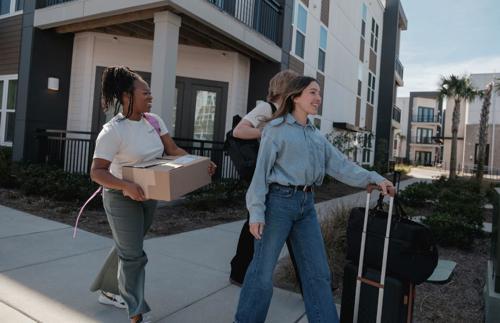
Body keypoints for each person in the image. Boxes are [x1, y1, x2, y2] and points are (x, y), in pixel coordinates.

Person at [233, 76, 395, 323]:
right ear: (295, 96)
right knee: (262, 274)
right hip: (278, 204)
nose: (318, 98)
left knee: (318, 274)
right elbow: (260, 176)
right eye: (312, 92)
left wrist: (375, 178)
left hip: (306, 206)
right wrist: (256, 212)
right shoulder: (275, 130)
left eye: (319, 93)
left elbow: (341, 166)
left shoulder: (316, 135)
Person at [89, 66, 215, 323]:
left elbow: (172, 150)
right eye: (145, 92)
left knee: (128, 247)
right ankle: (135, 311)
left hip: (149, 193)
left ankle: (107, 289)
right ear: (126, 95)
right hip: (119, 196)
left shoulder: (154, 121)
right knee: (134, 255)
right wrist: (126, 186)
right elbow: (97, 172)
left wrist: (200, 162)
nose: (150, 97)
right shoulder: (113, 131)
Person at [229, 69, 301, 286]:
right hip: (264, 176)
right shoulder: (266, 108)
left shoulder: (288, 114)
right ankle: (239, 271)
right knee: (255, 222)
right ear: (286, 88)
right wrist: (268, 131)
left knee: (263, 223)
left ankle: (239, 271)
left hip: (281, 177)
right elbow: (239, 131)